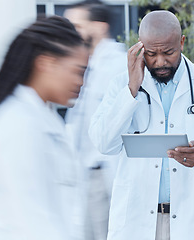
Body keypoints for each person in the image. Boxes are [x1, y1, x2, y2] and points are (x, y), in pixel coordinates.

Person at [88, 10, 194, 240]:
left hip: (190, 223)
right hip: (136, 221)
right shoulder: (122, 84)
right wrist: (131, 91)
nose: (160, 62)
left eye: (168, 52)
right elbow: (103, 143)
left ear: (181, 42)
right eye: (151, 53)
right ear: (141, 48)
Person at [0, 16, 88, 240]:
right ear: (46, 63)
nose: (81, 82)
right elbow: (30, 216)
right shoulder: (17, 123)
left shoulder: (43, 118)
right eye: (77, 71)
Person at [64, 2, 127, 240]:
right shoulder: (88, 64)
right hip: (88, 176)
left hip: (104, 174)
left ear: (100, 28)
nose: (70, 32)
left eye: (77, 26)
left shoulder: (117, 66)